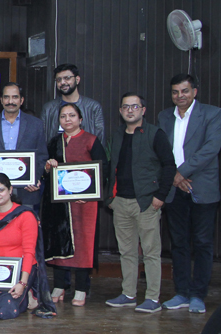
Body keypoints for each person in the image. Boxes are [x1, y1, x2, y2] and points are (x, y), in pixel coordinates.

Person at [105, 93, 176, 313]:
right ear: (120, 111)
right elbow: (108, 165)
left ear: (143, 110)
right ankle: (128, 294)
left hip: (146, 202)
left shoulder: (155, 134)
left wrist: (160, 196)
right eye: (125, 106)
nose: (130, 110)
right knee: (126, 252)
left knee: (151, 252)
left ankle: (153, 298)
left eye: (134, 106)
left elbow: (169, 166)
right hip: (120, 203)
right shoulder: (116, 135)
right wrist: (110, 197)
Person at [158, 74, 221, 314]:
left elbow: (211, 149)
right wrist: (174, 177)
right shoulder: (164, 116)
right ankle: (182, 292)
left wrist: (179, 173)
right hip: (175, 191)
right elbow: (161, 149)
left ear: (194, 91)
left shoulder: (213, 114)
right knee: (179, 244)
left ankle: (198, 295)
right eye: (175, 92)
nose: (179, 96)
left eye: (184, 91)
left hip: (201, 187)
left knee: (203, 244)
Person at [41, 103, 107, 306]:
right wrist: (47, 167)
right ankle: (60, 285)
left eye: (72, 115)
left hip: (84, 205)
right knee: (60, 242)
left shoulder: (91, 141)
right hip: (60, 205)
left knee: (83, 246)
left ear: (80, 119)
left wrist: (88, 195)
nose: (67, 119)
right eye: (63, 116)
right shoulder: (54, 142)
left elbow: (101, 171)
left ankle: (81, 288)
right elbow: (46, 173)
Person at [0, 173, 56, 320]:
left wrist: (22, 282)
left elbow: (29, 252)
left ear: (10, 190)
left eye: (1, 190)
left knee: (5, 310)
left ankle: (28, 294)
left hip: (22, 269)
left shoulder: (25, 216)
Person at [0, 83, 48, 210]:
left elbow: (42, 156)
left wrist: (35, 177)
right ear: (1, 100)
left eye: (15, 97)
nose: (10, 101)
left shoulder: (36, 124)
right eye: (6, 97)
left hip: (26, 189)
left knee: (25, 227)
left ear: (21, 100)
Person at [41, 64, 105, 145]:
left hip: (85, 156)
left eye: (67, 78)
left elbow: (100, 140)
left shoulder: (93, 107)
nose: (62, 82)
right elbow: (42, 140)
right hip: (54, 156)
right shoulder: (48, 108)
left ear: (77, 79)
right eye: (58, 80)